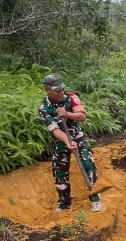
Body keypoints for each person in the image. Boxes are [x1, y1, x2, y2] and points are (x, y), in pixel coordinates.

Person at [38, 75, 102, 213]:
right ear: (47, 90)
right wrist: (67, 141)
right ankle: (65, 204)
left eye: (62, 88)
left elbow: (82, 116)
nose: (61, 92)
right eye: (57, 90)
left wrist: (67, 114)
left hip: (77, 137)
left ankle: (95, 199)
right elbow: (54, 130)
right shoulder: (44, 108)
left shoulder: (72, 97)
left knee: (87, 164)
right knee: (59, 172)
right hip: (60, 141)